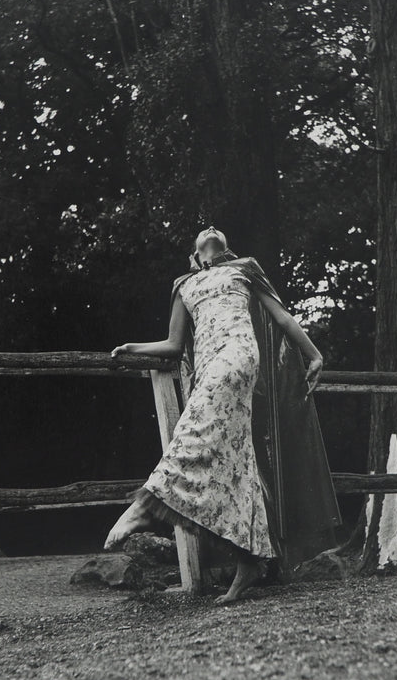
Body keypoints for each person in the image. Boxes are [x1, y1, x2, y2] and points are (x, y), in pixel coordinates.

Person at [104, 226, 341, 603]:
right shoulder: (184, 284)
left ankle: (147, 506)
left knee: (194, 426)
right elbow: (174, 344)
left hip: (237, 356)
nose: (210, 227)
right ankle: (249, 561)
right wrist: (133, 346)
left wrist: (314, 354)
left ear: (226, 249)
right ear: (195, 256)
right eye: (202, 231)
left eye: (217, 231)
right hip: (209, 364)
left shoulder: (244, 269)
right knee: (237, 461)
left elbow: (281, 317)